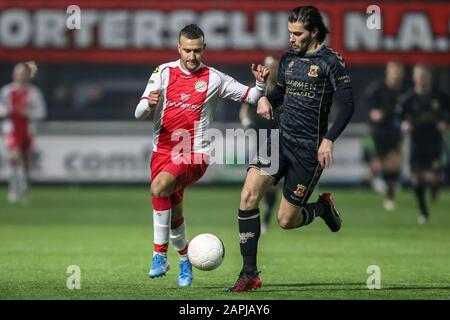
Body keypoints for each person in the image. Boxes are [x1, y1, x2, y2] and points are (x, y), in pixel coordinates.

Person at [227, 6, 355, 292]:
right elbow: (280, 93)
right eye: (290, 33)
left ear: (315, 33)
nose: (292, 38)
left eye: (298, 33)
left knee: (287, 220)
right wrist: (266, 100)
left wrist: (329, 139)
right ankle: (249, 274)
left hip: (309, 148)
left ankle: (322, 208)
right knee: (248, 195)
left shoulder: (332, 62)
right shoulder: (287, 60)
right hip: (279, 140)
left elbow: (348, 105)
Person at [134, 24, 269, 287]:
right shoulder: (162, 72)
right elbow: (138, 112)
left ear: (204, 49)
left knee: (158, 187)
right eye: (187, 50)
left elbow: (251, 96)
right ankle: (185, 259)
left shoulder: (215, 79)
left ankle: (159, 255)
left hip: (195, 153)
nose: (192, 56)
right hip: (160, 153)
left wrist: (261, 84)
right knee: (173, 210)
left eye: (197, 50)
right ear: (178, 49)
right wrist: (148, 105)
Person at [398, 64, 449, 225]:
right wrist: (404, 124)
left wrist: (445, 122)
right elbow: (398, 118)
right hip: (416, 143)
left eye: (425, 75)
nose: (422, 79)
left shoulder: (440, 97)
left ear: (429, 77)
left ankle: (435, 187)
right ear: (414, 78)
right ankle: (424, 212)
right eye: (419, 75)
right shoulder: (408, 99)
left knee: (433, 178)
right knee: (417, 178)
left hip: (434, 142)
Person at [239, 55, 280, 234]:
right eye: (270, 66)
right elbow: (245, 110)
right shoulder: (258, 88)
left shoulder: (282, 89)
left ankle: (266, 216)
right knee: (256, 180)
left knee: (271, 183)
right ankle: (257, 215)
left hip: (277, 137)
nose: (273, 70)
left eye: (275, 67)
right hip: (259, 136)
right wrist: (246, 122)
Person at [0, 61, 46, 204]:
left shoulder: (34, 92)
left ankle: (25, 190)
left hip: (28, 130)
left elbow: (41, 113)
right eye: (17, 72)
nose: (20, 75)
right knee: (14, 158)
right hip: (12, 129)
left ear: (28, 75)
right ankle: (14, 189)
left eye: (23, 73)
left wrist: (28, 113)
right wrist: (6, 112)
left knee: (25, 163)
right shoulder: (7, 91)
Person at [364, 61, 406, 210]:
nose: (395, 74)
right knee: (381, 163)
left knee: (394, 163)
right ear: (388, 72)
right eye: (392, 71)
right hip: (380, 130)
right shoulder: (379, 88)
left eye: (397, 71)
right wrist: (373, 112)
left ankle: (389, 195)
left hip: (395, 130)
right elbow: (367, 101)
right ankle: (373, 174)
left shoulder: (404, 90)